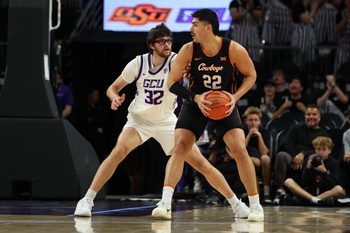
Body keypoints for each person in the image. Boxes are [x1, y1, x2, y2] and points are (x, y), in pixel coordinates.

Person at [74, 23, 250, 219]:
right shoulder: (138, 63)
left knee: (201, 164)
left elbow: (202, 69)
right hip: (139, 120)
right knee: (118, 152)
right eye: (162, 41)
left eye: (169, 41)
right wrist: (114, 98)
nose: (167, 44)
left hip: (166, 121)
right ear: (151, 45)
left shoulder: (177, 60)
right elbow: (112, 87)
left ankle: (236, 204)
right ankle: (87, 200)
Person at [152, 9, 264, 222]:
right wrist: (196, 98)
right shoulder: (188, 50)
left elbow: (251, 75)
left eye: (195, 24)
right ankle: (165, 202)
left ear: (208, 28)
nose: (190, 28)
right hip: (196, 103)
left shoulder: (233, 49)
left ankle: (256, 205)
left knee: (239, 149)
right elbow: (171, 83)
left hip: (224, 105)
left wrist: (235, 96)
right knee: (180, 147)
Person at [273, 105, 328, 204]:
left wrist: (303, 153)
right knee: (281, 155)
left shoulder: (323, 132)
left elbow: (321, 150)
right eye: (308, 114)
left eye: (314, 114)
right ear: (305, 116)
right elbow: (288, 145)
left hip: (309, 159)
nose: (311, 116)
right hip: (293, 158)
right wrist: (295, 157)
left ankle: (305, 192)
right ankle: (280, 190)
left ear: (319, 117)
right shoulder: (295, 128)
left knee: (314, 158)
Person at [284, 136, 345, 206]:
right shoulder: (310, 160)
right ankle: (315, 200)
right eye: (318, 149)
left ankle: (314, 200)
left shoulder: (334, 163)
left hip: (324, 194)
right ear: (315, 150)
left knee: (339, 189)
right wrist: (307, 169)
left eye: (324, 150)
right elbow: (304, 183)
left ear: (330, 150)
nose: (321, 152)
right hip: (309, 193)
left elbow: (333, 184)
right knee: (288, 181)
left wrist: (324, 172)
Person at [242, 106, 272, 203]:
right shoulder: (242, 132)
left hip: (261, 160)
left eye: (256, 120)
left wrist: (259, 136)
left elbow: (264, 153)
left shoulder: (265, 132)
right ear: (246, 121)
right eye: (250, 120)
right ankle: (255, 194)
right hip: (247, 159)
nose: (253, 122)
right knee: (250, 160)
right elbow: (240, 149)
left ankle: (267, 193)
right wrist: (249, 136)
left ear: (259, 121)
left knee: (266, 158)